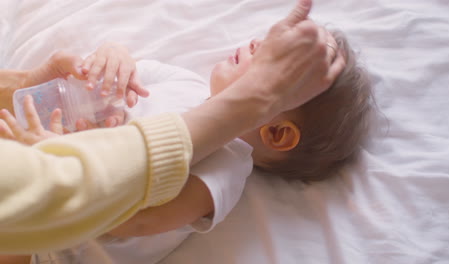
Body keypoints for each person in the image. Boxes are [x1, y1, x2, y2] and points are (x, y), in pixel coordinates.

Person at [0, 0, 345, 256]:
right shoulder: (185, 81)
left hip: (49, 245)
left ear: (278, 133)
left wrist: (59, 163)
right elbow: (121, 73)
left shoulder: (230, 166)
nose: (259, 42)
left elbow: (138, 221)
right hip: (39, 185)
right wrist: (112, 55)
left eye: (280, 59)